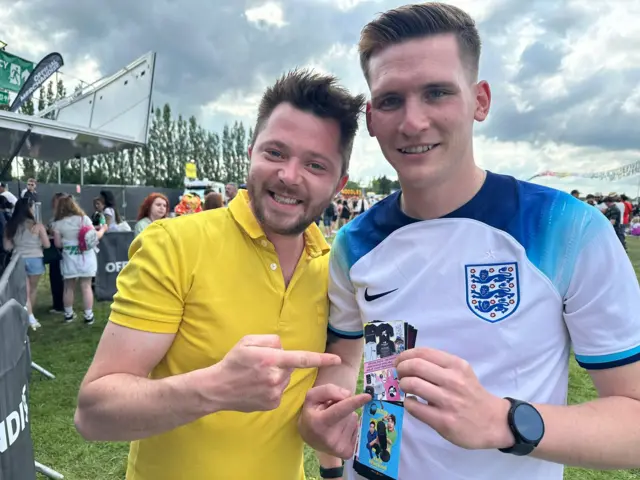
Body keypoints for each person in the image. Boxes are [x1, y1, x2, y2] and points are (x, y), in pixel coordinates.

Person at [299, 3, 640, 480]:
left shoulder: (566, 228)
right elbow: (357, 361)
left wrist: (504, 421)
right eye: (392, 100)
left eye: (436, 93)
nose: (413, 122)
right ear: (372, 118)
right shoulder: (355, 243)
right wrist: (331, 453)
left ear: (480, 101)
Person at [73, 68, 366, 480]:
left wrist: (323, 436)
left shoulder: (332, 266)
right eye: (276, 153)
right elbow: (94, 414)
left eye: (315, 165)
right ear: (251, 153)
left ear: (340, 184)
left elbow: (338, 366)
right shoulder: (173, 244)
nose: (288, 175)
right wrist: (214, 388)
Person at [52, 195, 107, 324]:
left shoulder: (58, 224)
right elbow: (94, 236)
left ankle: (68, 315)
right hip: (86, 257)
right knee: (86, 286)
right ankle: (88, 316)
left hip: (69, 257)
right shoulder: (84, 219)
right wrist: (103, 229)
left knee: (68, 287)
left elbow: (58, 244)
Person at [3, 198, 50, 330]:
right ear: (29, 209)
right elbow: (47, 244)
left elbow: (7, 247)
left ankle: (28, 316)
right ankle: (30, 316)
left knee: (24, 292)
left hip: (18, 260)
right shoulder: (38, 225)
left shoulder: (10, 226)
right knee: (33, 290)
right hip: (35, 258)